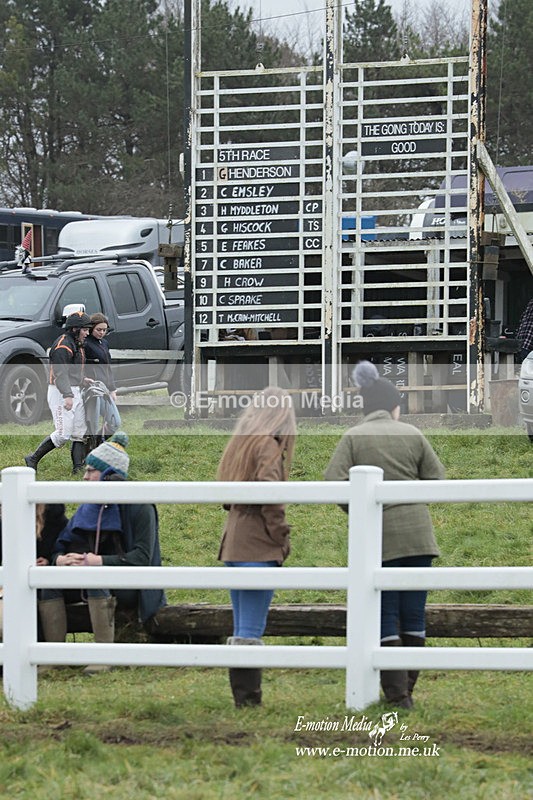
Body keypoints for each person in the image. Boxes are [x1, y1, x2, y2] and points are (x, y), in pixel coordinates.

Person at [324, 361, 445, 709]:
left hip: (378, 538)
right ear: (393, 406)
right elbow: (437, 480)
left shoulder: (352, 437)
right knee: (415, 614)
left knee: (385, 613)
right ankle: (406, 689)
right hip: (420, 537)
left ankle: (397, 694)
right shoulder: (412, 433)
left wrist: (360, 511)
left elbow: (333, 482)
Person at [38, 431, 166, 674]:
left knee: (96, 579)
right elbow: (62, 544)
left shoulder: (140, 507)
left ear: (109, 474)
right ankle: (52, 658)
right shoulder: (89, 505)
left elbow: (141, 558)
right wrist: (60, 559)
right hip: (89, 576)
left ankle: (103, 655)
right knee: (48, 584)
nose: (84, 477)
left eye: (91, 471)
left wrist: (97, 561)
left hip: (130, 585)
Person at [216, 386, 296, 707]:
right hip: (257, 545)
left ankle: (244, 697)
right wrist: (282, 536)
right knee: (251, 627)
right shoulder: (267, 445)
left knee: (241, 625)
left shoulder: (241, 443)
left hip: (234, 542)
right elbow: (270, 496)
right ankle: (248, 700)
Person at [24, 310, 91, 474]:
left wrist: (82, 380)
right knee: (62, 435)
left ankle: (78, 468)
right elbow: (60, 373)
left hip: (74, 390)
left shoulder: (77, 343)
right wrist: (68, 395)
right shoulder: (63, 345)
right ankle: (33, 458)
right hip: (61, 392)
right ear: (75, 329)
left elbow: (72, 370)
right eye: (85, 329)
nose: (87, 333)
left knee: (79, 431)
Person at [0, 502, 68, 642]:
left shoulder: (54, 519)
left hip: (37, 579)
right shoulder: (6, 520)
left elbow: (64, 547)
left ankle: (48, 655)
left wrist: (49, 560)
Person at [83, 312, 121, 451]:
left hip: (105, 389)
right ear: (92, 328)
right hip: (93, 390)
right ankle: (88, 448)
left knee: (115, 422)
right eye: (99, 329)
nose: (102, 333)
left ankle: (95, 445)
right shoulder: (86, 344)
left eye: (104, 330)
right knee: (91, 424)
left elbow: (107, 367)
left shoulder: (104, 343)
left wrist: (112, 388)